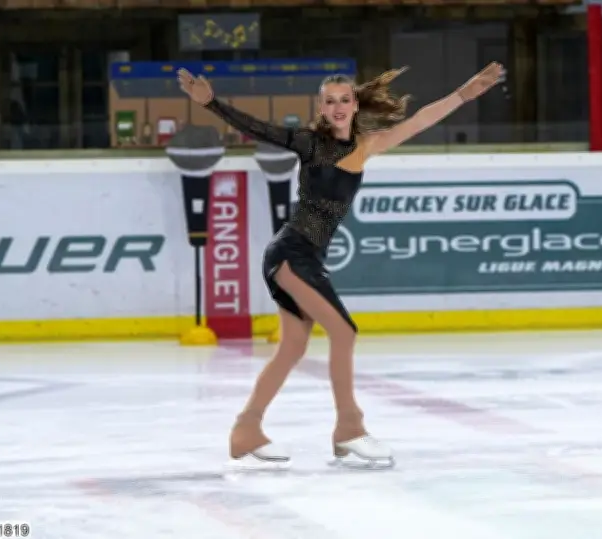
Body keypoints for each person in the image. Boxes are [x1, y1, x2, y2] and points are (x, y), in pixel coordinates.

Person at [177, 61, 505, 467]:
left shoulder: (366, 146)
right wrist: (211, 104)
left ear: (354, 105)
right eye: (329, 101)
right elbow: (260, 128)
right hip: (290, 253)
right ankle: (349, 427)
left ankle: (247, 429)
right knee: (343, 332)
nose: (337, 107)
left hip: (304, 256)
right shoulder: (309, 144)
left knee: (292, 348)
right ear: (320, 106)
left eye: (344, 100)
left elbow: (419, 121)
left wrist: (462, 94)